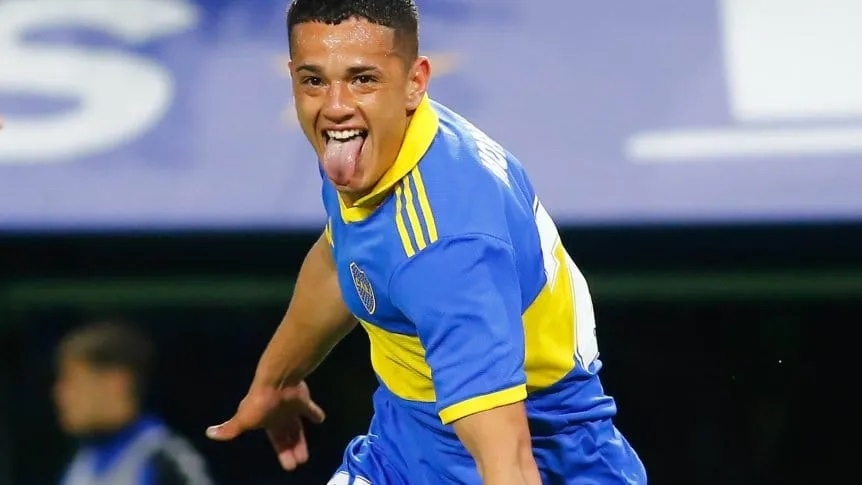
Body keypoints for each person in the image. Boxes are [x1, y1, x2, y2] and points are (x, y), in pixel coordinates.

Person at [206, 0, 647, 483]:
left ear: (415, 81)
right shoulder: (368, 142)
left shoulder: (449, 250)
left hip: (537, 459)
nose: (334, 105)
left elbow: (509, 462)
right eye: (314, 80)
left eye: (362, 79)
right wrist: (276, 381)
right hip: (404, 441)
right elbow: (342, 262)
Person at [54, 321, 214, 485]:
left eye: (72, 380)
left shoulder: (163, 459)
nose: (61, 394)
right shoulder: (82, 465)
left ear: (115, 383)